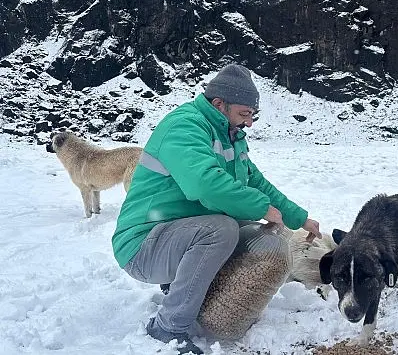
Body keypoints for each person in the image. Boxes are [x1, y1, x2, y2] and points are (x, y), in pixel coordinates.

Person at [112, 64, 322, 354]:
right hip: (143, 246)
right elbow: (204, 185)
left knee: (264, 234)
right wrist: (263, 208)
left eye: (252, 115)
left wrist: (300, 218)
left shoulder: (229, 135)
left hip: (179, 236)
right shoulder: (184, 126)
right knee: (222, 229)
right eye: (244, 114)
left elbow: (257, 183)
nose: (249, 123)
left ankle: (197, 296)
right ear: (219, 104)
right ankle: (168, 326)